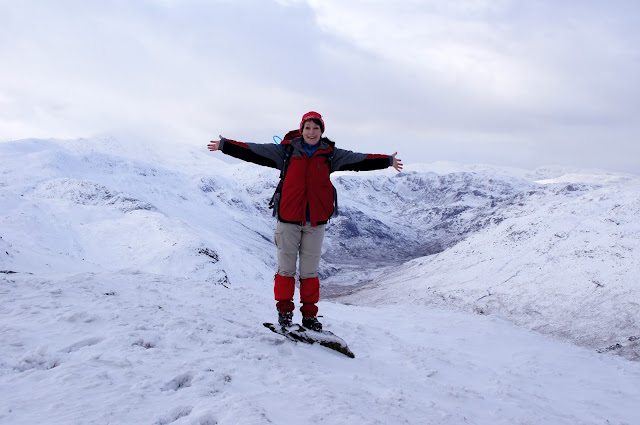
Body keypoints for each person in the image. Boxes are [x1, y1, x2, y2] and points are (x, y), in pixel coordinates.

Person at [208, 111, 402, 330]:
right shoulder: (286, 151)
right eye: (308, 128)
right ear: (301, 130)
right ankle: (284, 312)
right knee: (286, 270)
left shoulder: (330, 154)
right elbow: (254, 151)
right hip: (288, 220)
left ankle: (309, 316)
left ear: (322, 131)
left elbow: (358, 159)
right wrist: (225, 145)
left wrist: (387, 160)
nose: (311, 132)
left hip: (315, 223)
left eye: (316, 128)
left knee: (309, 272)